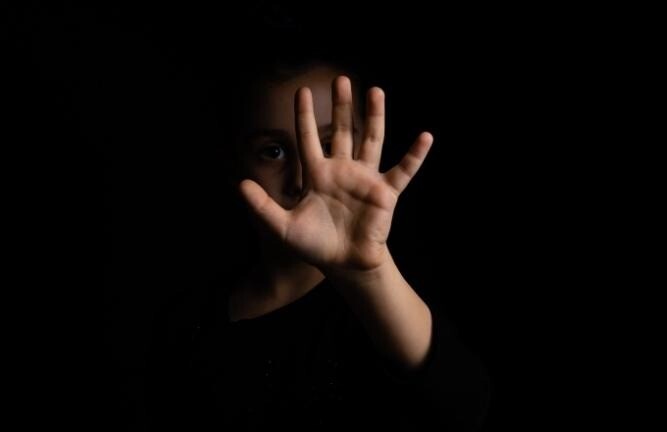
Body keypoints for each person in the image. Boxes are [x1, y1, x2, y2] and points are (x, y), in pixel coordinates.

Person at [142, 57, 490, 431]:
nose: (305, 178)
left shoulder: (390, 304)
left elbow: (467, 406)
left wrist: (370, 273)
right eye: (273, 151)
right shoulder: (190, 317)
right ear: (234, 162)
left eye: (329, 144)